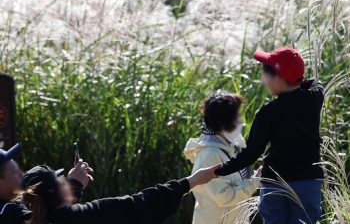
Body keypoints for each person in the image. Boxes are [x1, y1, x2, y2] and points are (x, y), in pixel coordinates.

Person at [214, 47, 325, 224]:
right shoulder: (315, 98)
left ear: (278, 78)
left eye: (266, 73)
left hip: (275, 184)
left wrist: (220, 170)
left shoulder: (268, 113)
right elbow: (314, 83)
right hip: (307, 182)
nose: (262, 79)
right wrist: (297, 80)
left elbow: (251, 154)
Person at [19, 161, 220, 224]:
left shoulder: (23, 216)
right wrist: (192, 180)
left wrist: (74, 186)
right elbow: (140, 204)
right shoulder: (87, 216)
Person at [184, 93, 261, 224]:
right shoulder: (210, 155)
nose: (241, 121)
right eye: (237, 117)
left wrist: (256, 176)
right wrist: (255, 182)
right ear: (224, 120)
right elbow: (224, 196)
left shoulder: (234, 145)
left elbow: (237, 181)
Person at [0, 144, 92, 224]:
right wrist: (75, 185)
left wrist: (74, 187)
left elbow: (47, 215)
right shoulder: (8, 213)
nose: (21, 174)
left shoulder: (12, 207)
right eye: (14, 172)